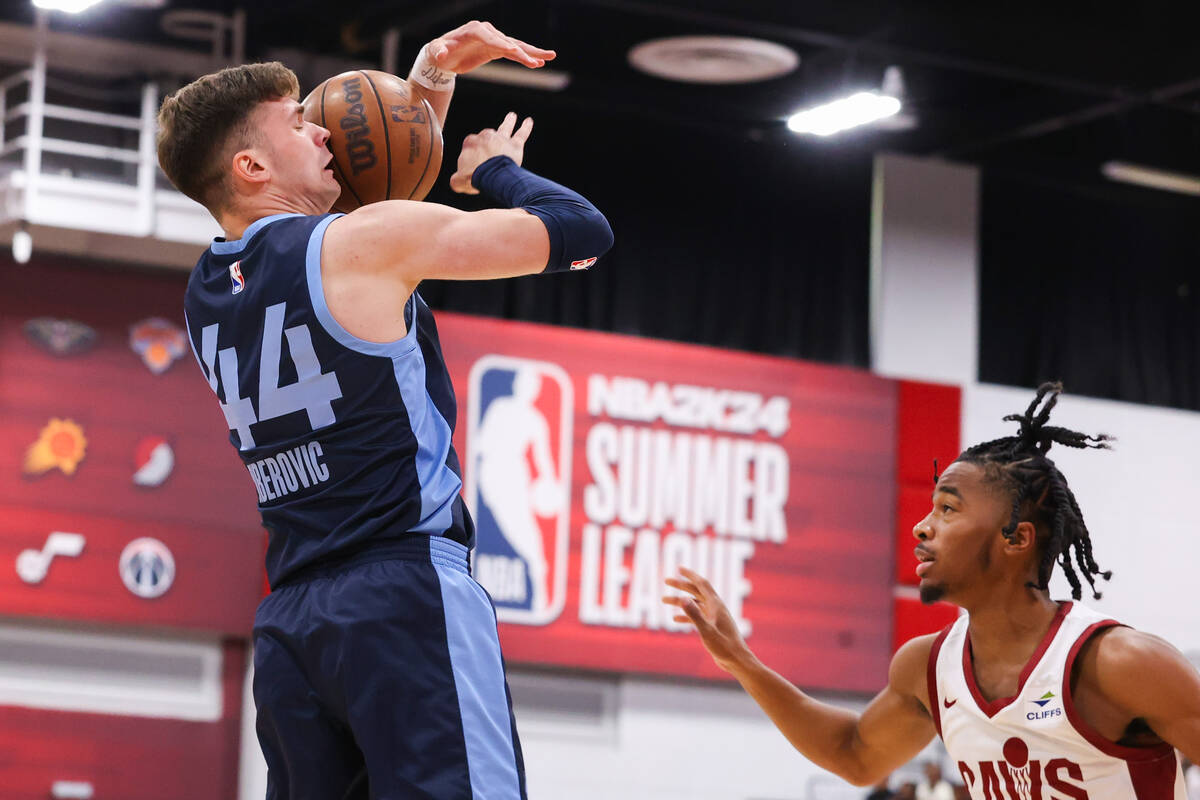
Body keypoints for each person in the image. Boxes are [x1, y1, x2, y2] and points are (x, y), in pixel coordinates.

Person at [157, 20, 612, 800]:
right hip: (404, 591)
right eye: (301, 123)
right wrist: (494, 172)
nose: (324, 131)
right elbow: (582, 233)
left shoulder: (205, 295)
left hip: (294, 620)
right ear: (252, 164)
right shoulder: (358, 249)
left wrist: (428, 82)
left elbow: (371, 232)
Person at [665, 383, 1200, 797]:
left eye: (948, 508)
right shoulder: (926, 667)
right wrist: (741, 662)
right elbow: (855, 755)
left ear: (1016, 539)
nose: (922, 527)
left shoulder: (1119, 663)